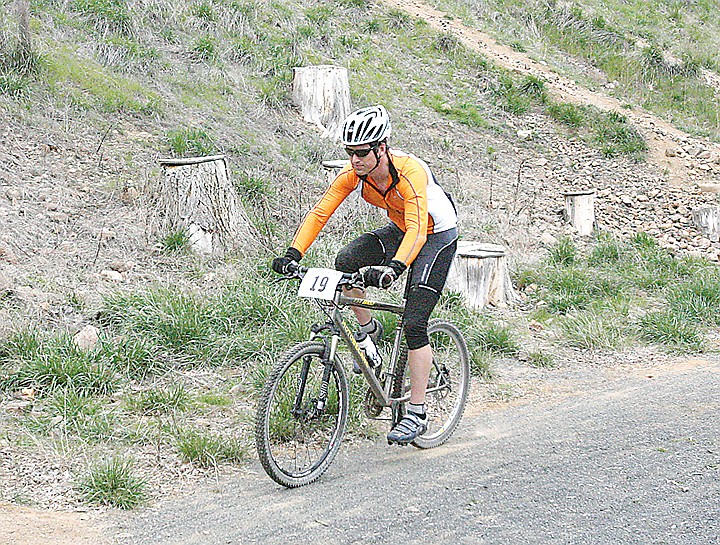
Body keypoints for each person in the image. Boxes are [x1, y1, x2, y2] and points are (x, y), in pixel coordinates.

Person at [272, 105, 458, 445]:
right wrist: (293, 254)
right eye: (349, 153)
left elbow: (419, 230)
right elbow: (320, 212)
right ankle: (368, 335)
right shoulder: (354, 174)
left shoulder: (411, 172)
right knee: (346, 261)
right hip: (402, 229)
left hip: (435, 236)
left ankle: (417, 412)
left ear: (381, 148)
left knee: (415, 323)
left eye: (361, 153)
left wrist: (394, 268)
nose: (354, 160)